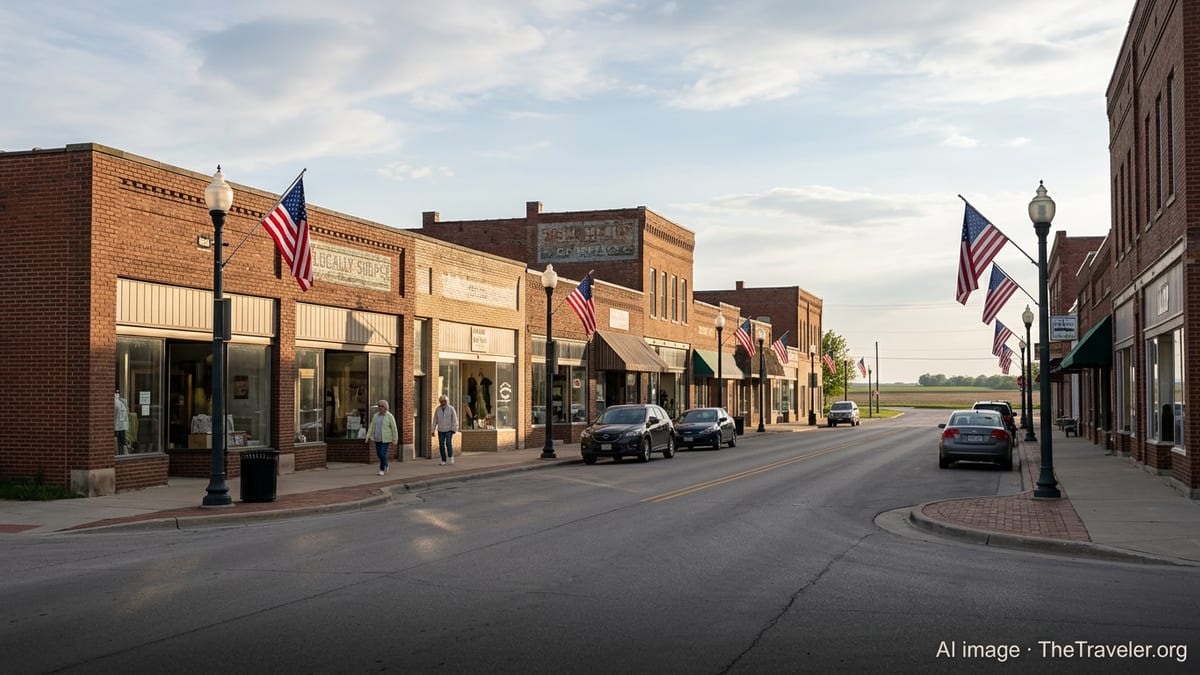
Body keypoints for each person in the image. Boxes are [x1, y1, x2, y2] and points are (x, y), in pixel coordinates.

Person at [364, 399, 399, 476]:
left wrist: (395, 439)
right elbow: (371, 426)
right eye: (379, 406)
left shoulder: (390, 416)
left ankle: (381, 470)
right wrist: (368, 436)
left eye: (382, 406)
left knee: (382, 454)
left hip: (386, 439)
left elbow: (394, 428)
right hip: (377, 438)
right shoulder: (375, 416)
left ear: (386, 407)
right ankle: (386, 463)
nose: (380, 408)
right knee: (379, 454)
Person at [433, 394, 460, 465]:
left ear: (447, 401)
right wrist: (433, 430)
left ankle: (451, 457)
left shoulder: (451, 408)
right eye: (442, 401)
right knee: (441, 445)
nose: (443, 402)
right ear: (440, 401)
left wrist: (454, 429)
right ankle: (443, 460)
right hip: (441, 430)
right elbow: (435, 420)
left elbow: (455, 419)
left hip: (449, 429)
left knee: (448, 443)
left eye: (444, 401)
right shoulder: (438, 409)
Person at [114, 390, 128, 454]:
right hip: (121, 424)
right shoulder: (122, 401)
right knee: (122, 441)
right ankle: (124, 454)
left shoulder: (122, 401)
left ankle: (119, 453)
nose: (117, 394)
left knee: (119, 440)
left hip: (118, 424)